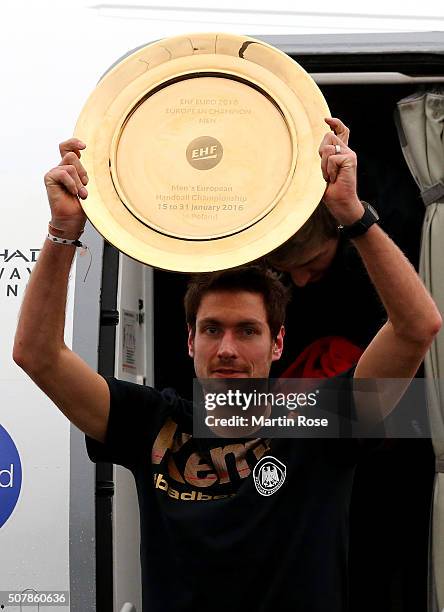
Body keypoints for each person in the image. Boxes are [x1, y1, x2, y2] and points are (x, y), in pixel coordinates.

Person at [13, 120, 441, 612]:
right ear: (190, 340)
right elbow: (37, 354)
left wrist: (351, 214)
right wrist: (64, 231)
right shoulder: (152, 420)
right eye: (213, 329)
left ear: (278, 342)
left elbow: (417, 327)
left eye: (248, 330)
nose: (228, 348)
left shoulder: (321, 419)